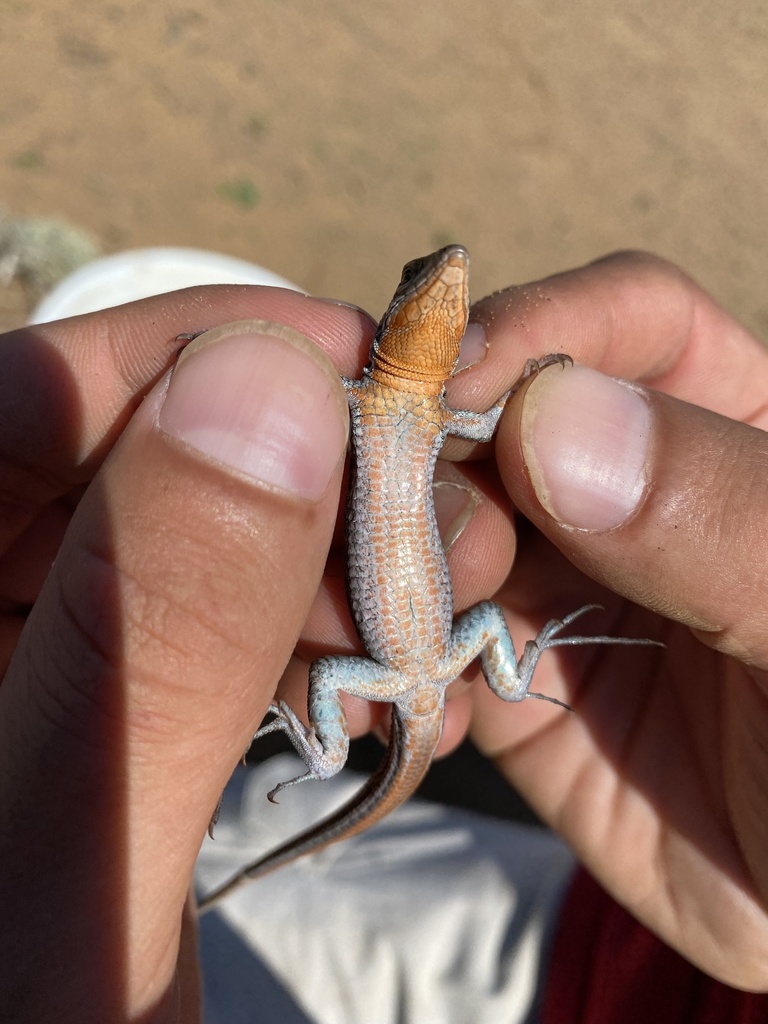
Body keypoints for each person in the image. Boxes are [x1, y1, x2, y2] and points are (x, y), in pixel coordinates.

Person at [1, 250, 767, 1022]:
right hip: (435, 655)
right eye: (422, 277)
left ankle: (324, 757)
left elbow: (502, 421)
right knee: (481, 619)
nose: (449, 274)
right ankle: (321, 780)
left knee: (333, 683)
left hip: (401, 673)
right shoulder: (382, 400)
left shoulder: (404, 405)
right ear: (394, 320)